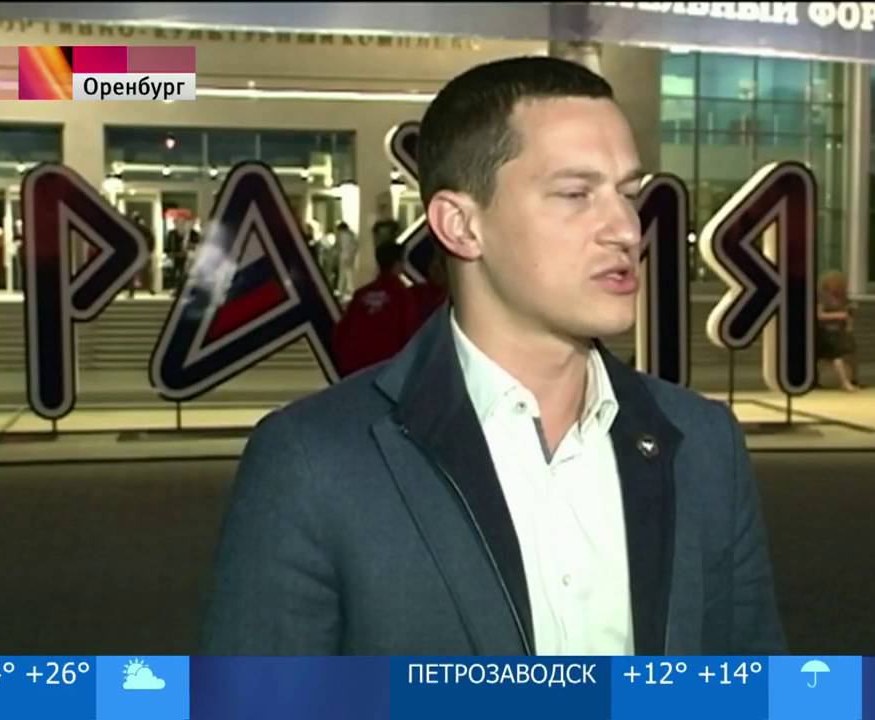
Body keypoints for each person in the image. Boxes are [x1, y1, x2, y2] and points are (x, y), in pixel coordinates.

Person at [202, 56, 785, 656]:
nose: (626, 230)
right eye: (575, 194)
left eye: (628, 194)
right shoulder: (313, 462)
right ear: (460, 225)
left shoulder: (705, 444)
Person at [331, 241, 423, 378]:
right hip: (386, 369)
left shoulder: (361, 294)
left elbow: (342, 331)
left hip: (355, 368)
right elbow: (409, 332)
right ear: (397, 264)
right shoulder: (402, 296)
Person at [816, 271, 860, 392]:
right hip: (824, 331)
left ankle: (853, 379)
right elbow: (818, 315)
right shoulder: (822, 297)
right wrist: (839, 315)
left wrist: (849, 324)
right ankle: (844, 382)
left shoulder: (843, 297)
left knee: (851, 352)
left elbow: (848, 314)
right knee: (836, 354)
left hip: (839, 332)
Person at [334, 221, 359, 303]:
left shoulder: (344, 235)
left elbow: (342, 246)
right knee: (348, 274)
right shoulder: (352, 234)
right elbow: (355, 246)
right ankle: (346, 290)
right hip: (349, 256)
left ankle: (344, 290)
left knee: (345, 274)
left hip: (344, 256)